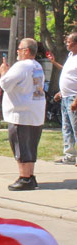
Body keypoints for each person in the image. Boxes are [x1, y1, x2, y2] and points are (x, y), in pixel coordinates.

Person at [0, 38, 45, 191]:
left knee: (20, 145)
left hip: (21, 114)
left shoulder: (21, 66)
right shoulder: (37, 66)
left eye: (19, 49)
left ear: (26, 51)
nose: (17, 51)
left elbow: (5, 84)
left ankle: (25, 178)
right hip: (35, 112)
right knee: (30, 146)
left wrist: (4, 72)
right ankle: (29, 175)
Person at [48, 32, 77, 165]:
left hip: (73, 98)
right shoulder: (71, 56)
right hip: (65, 97)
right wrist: (61, 91)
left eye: (69, 41)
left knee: (75, 127)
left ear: (75, 43)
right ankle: (69, 156)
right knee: (66, 128)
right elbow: (67, 73)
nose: (66, 43)